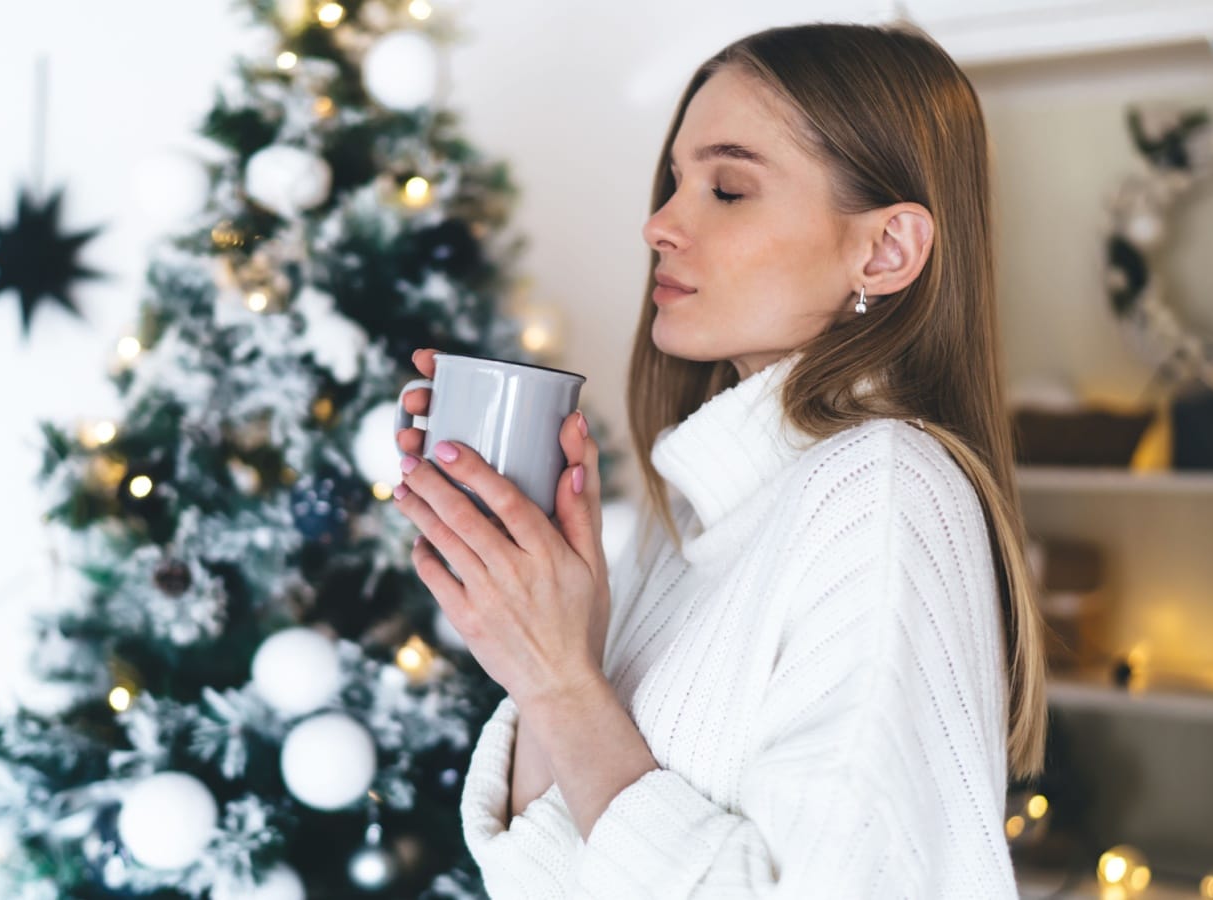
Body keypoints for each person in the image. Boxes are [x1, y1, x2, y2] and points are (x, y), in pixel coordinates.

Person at [391, 20, 1048, 899]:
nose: (660, 223)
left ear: (885, 250)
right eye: (675, 181)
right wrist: (553, 647)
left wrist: (562, 686)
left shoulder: (883, 491)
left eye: (728, 189)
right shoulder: (696, 520)